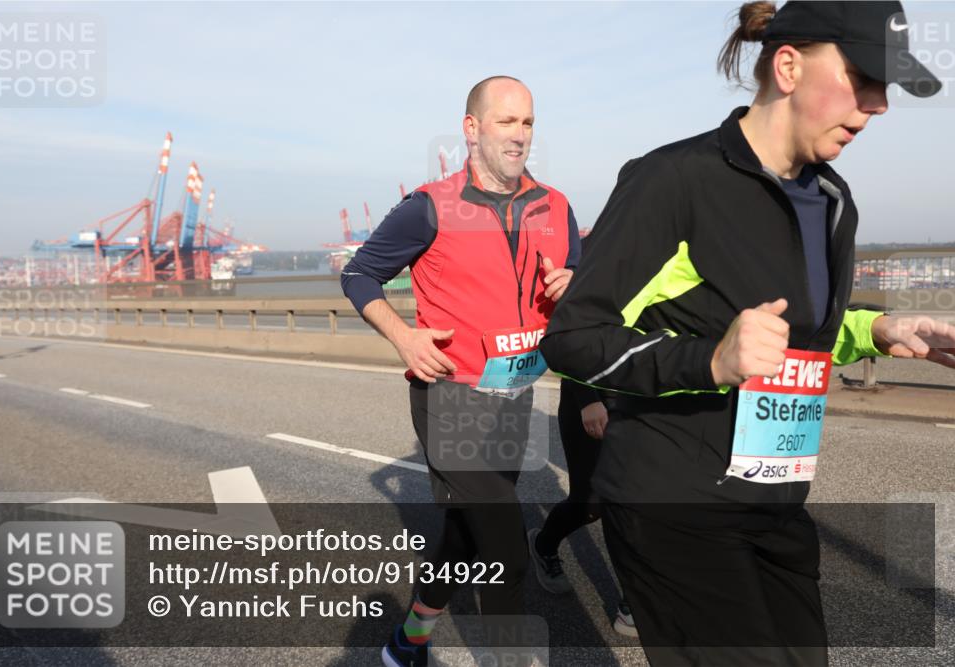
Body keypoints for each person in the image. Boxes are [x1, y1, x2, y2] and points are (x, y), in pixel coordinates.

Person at [539, 2, 954, 665]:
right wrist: (710, 361)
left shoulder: (834, 201)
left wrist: (877, 328)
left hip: (776, 501)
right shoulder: (674, 179)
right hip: (673, 501)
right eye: (863, 78)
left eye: (886, 87)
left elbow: (794, 338)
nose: (878, 105)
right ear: (787, 67)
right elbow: (572, 337)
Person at [340, 76, 581, 667]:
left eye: (528, 122)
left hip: (515, 397)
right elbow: (357, 274)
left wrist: (575, 284)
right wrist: (404, 337)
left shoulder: (557, 206)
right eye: (506, 121)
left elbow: (584, 285)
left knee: (466, 537)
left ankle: (408, 641)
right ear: (471, 129)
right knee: (507, 553)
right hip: (450, 398)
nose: (519, 135)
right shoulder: (430, 205)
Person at [527, 377, 639, 638]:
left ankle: (633, 602)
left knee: (636, 506)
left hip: (643, 404)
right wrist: (588, 399)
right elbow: (573, 351)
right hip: (593, 402)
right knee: (590, 504)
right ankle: (543, 545)